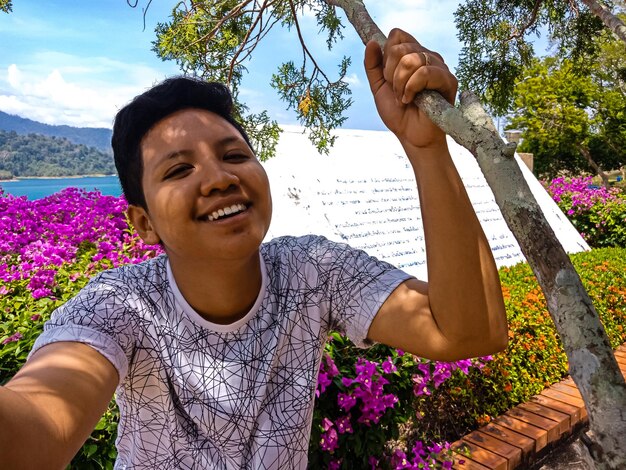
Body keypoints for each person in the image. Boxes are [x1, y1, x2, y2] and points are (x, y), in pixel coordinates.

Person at [0, 29, 508, 469]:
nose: (219, 178)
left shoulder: (313, 272)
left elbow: (469, 331)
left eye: (234, 154)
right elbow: (35, 430)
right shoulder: (119, 306)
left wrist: (426, 147)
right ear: (143, 222)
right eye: (179, 170)